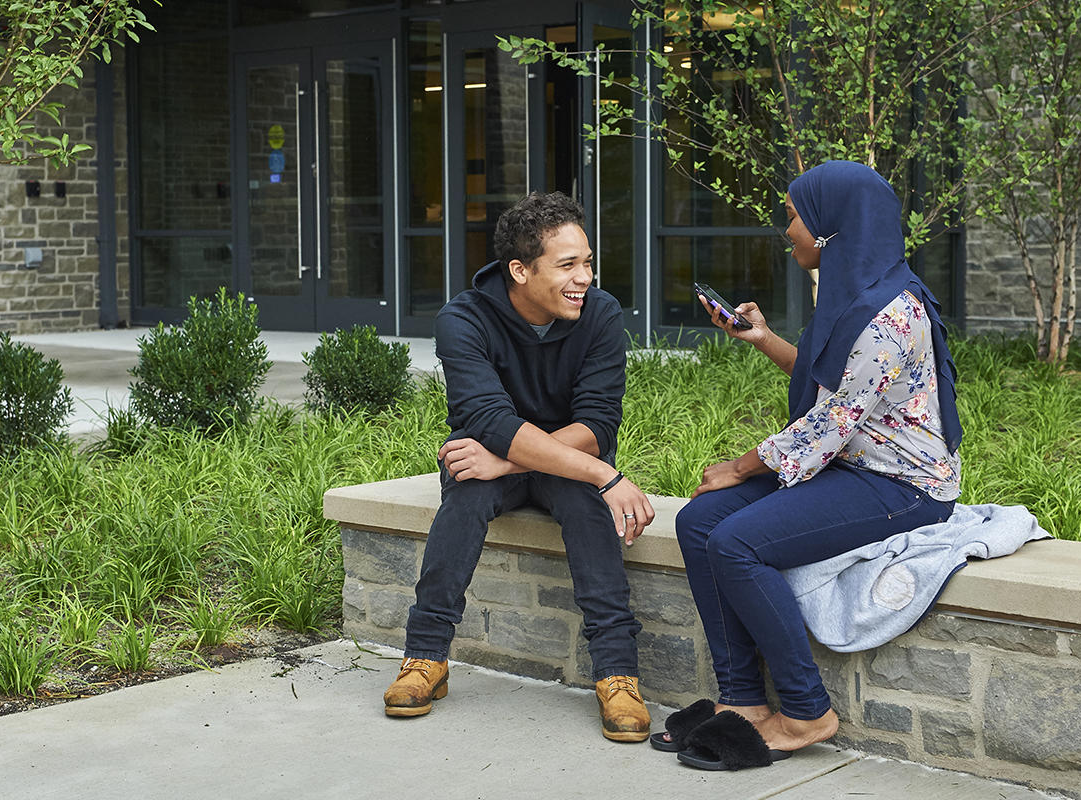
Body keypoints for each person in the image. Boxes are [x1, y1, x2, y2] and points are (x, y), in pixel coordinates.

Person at [670, 161, 964, 759]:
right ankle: (744, 699)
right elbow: (837, 388)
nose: (789, 231)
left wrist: (741, 465)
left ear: (832, 225)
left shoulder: (889, 315)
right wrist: (763, 338)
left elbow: (832, 422)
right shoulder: (857, 289)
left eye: (795, 216)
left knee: (736, 542)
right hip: (851, 466)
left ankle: (807, 713)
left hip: (902, 485)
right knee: (697, 522)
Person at [383, 191, 658, 743]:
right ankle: (425, 658)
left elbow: (599, 422)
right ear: (519, 270)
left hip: (553, 462)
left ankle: (617, 672)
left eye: (587, 262)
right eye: (568, 265)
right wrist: (605, 473)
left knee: (583, 501)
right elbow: (485, 417)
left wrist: (507, 462)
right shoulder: (463, 318)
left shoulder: (599, 313)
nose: (584, 277)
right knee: (464, 493)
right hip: (499, 461)